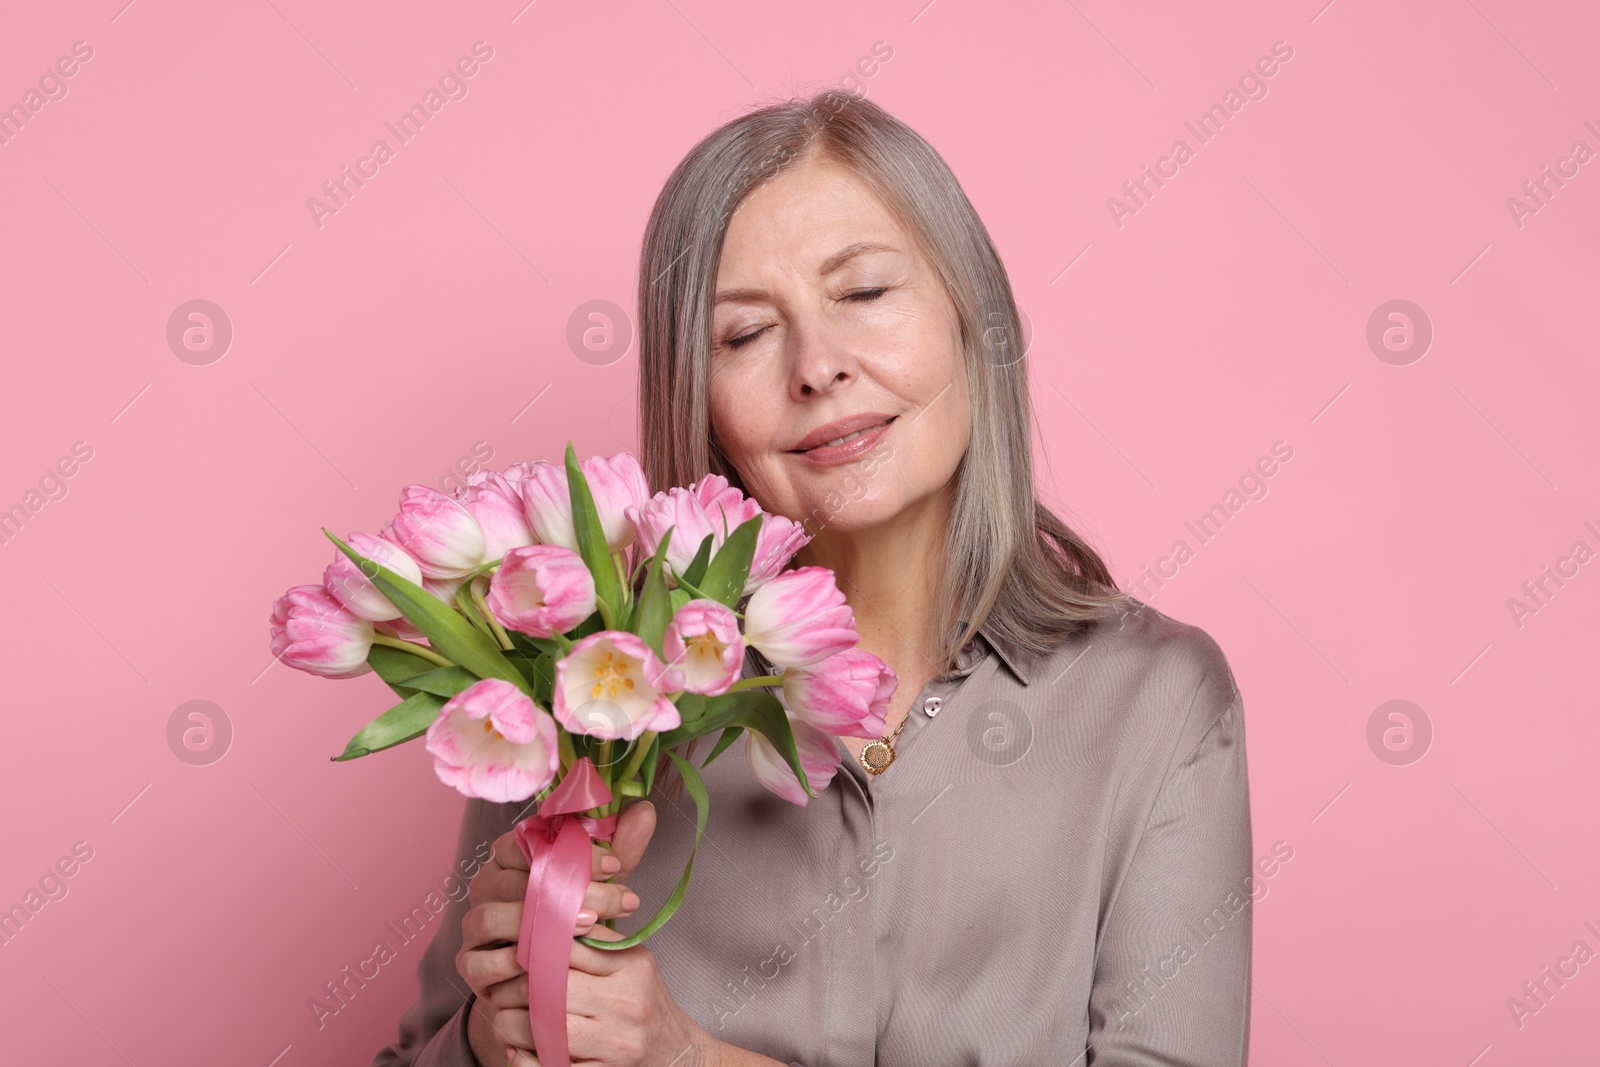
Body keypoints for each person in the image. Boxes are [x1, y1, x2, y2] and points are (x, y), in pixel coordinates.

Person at [372, 88, 1252, 1067]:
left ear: (972, 314)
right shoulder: (580, 687)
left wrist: (689, 1057)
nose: (817, 366)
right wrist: (496, 1036)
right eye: (743, 334)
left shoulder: (1156, 702)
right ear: (696, 396)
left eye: (864, 293)